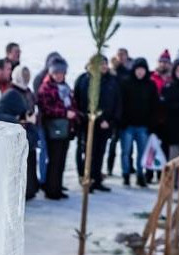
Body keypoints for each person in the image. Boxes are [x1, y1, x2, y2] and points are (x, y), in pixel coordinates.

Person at [74, 56, 121, 192]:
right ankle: (86, 179)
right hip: (88, 123)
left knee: (100, 152)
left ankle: (96, 179)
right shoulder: (84, 79)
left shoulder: (112, 81)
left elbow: (117, 103)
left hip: (106, 125)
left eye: (106, 63)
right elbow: (80, 101)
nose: (104, 66)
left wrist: (111, 121)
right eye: (101, 64)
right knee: (88, 152)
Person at [0, 65, 39, 200]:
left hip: (28, 136)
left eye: (27, 75)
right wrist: (19, 122)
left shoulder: (27, 92)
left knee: (30, 165)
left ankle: (30, 190)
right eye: (23, 75)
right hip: (18, 139)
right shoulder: (11, 93)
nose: (26, 78)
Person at [36, 60, 78, 199]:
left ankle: (57, 186)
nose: (59, 75)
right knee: (54, 159)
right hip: (53, 128)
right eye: (56, 72)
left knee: (61, 159)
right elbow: (46, 108)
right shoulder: (46, 88)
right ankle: (51, 189)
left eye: (61, 72)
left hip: (66, 128)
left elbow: (72, 103)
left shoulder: (65, 87)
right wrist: (64, 113)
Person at [119, 58, 156, 187]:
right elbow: (120, 104)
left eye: (143, 70)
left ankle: (140, 175)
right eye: (138, 69)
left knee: (142, 152)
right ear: (134, 70)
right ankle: (126, 174)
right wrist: (121, 121)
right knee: (126, 151)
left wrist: (152, 124)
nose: (140, 72)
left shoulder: (150, 85)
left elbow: (154, 106)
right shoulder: (125, 83)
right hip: (127, 125)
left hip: (143, 125)